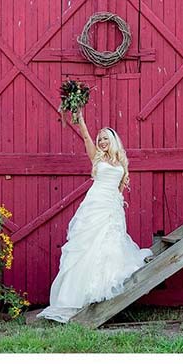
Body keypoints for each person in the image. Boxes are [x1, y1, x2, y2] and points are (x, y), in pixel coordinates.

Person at [36, 109, 153, 324]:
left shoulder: (121, 163)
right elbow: (86, 137)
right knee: (87, 245)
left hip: (111, 206)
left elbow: (119, 189)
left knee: (109, 245)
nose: (101, 142)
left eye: (105, 139)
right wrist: (80, 119)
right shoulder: (96, 158)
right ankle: (75, 297)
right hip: (95, 203)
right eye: (100, 139)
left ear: (114, 140)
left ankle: (102, 287)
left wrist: (117, 207)